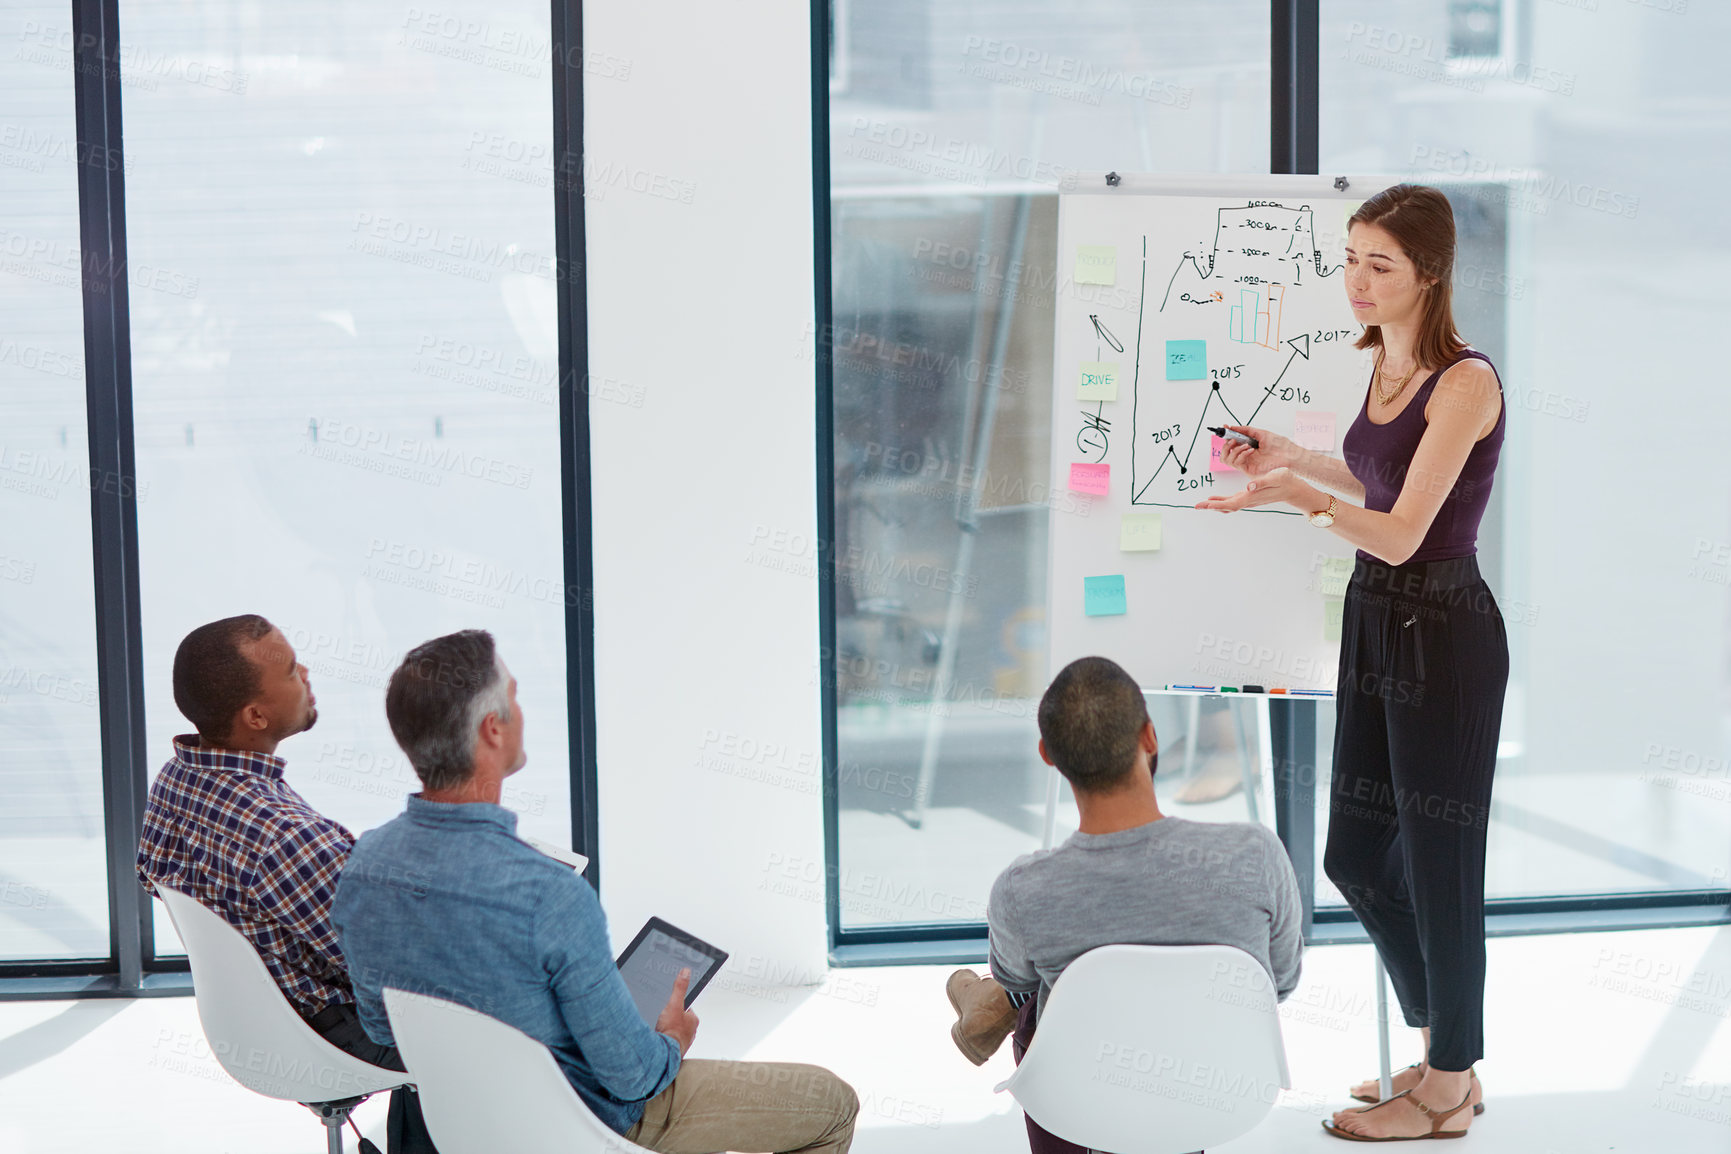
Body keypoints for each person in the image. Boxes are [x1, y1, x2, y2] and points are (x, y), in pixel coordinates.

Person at [1197, 183, 1507, 1141]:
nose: (1357, 281)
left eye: (1380, 264)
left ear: (1430, 273)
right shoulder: (1384, 371)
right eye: (1350, 259)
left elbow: (1408, 530)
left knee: (1439, 861)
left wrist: (1296, 495)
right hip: (1375, 614)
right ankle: (1446, 1056)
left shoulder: (1464, 380)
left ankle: (1448, 1084)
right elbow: (1375, 478)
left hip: (1442, 626)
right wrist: (1292, 457)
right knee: (1353, 854)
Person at [331, 630, 859, 1154]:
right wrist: (671, 1040)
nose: (522, 713)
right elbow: (633, 1077)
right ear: (493, 729)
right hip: (579, 1125)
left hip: (445, 1126)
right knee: (832, 1104)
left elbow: (383, 1028)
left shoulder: (364, 867)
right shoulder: (549, 894)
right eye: (514, 697)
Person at [944, 655, 1302, 1154]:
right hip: (1213, 1095)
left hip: (1080, 1105)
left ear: (1048, 754)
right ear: (1150, 738)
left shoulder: (1022, 890)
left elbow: (1017, 983)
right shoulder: (1255, 853)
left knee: (1030, 1005)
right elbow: (1279, 983)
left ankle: (978, 1013)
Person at [136, 615, 436, 1153]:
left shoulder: (176, 780)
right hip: (337, 1031)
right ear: (255, 715)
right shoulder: (284, 836)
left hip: (260, 1020)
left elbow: (151, 873)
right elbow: (401, 970)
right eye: (294, 671)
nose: (307, 673)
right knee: (513, 1010)